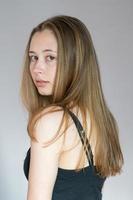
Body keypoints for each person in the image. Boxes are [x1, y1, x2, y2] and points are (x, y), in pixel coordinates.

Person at [20, 15, 124, 200]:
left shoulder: (51, 121)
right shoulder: (103, 119)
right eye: (33, 57)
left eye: (50, 57)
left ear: (76, 61)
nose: (37, 68)